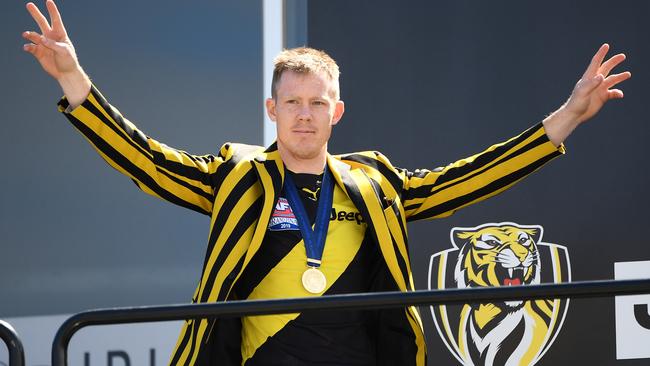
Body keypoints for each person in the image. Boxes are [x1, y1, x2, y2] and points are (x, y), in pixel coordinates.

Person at [22, 1, 630, 365]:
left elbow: (465, 181)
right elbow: (146, 162)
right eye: (293, 102)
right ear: (272, 110)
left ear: (336, 112)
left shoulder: (373, 182)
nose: (305, 114)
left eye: (317, 102)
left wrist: (568, 116)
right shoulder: (239, 177)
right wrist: (76, 82)